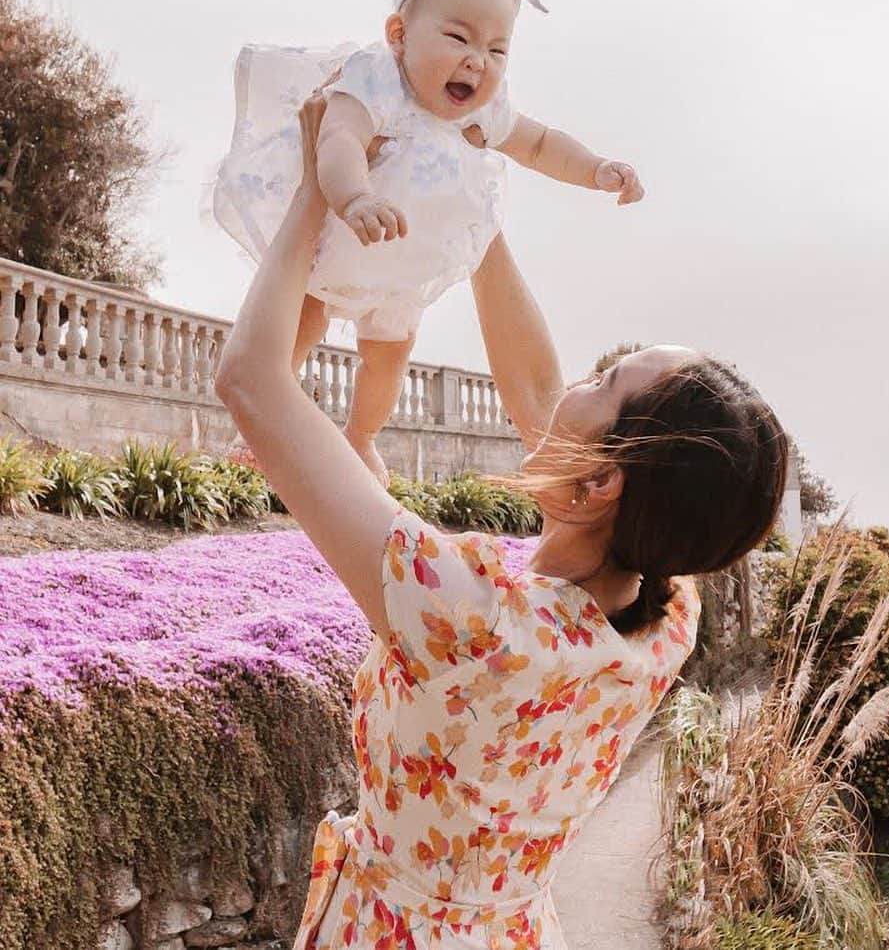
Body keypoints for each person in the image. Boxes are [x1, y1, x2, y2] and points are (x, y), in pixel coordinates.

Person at [214, 95, 790, 950]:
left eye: (604, 382)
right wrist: (475, 214)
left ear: (600, 484)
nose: (573, 387)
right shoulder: (665, 614)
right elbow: (540, 402)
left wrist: (317, 188)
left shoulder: (470, 611)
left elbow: (252, 383)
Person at [207, 0, 644, 485]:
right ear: (399, 35)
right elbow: (336, 138)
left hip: (407, 269)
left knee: (388, 353)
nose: (477, 61)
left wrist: (595, 169)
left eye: (497, 49)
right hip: (342, 241)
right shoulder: (377, 80)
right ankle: (256, 426)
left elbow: (538, 144)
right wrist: (355, 196)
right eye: (458, 37)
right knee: (303, 322)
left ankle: (361, 437)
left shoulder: (483, 114)